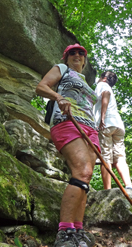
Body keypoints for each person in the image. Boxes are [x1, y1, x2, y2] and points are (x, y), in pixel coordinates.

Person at [36, 43, 98, 247]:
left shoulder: (87, 82)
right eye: (73, 53)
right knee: (82, 170)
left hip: (90, 129)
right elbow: (41, 87)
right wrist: (58, 97)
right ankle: (65, 232)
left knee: (86, 178)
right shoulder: (62, 70)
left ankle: (77, 232)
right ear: (66, 57)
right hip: (68, 122)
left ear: (85, 60)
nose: (77, 55)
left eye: (81, 53)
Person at [93, 71, 132, 191]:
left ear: (104, 78)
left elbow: (105, 94)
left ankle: (108, 190)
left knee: (105, 157)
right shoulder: (110, 88)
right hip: (118, 125)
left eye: (100, 77)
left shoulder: (102, 85)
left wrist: (102, 117)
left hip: (106, 124)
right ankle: (129, 185)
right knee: (120, 157)